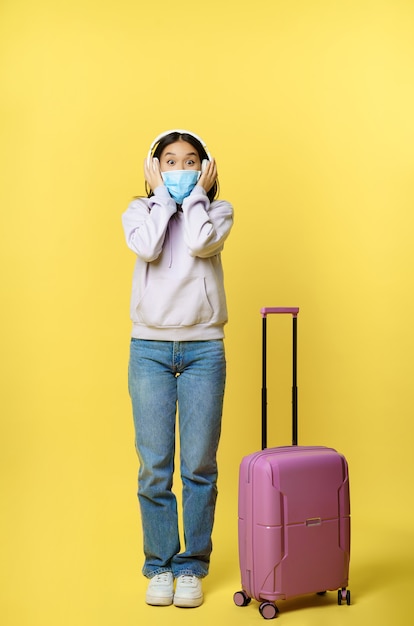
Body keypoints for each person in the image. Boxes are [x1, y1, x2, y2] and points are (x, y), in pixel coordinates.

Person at [122, 130, 233, 608]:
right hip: (148, 349)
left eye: (191, 161)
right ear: (154, 168)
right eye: (170, 161)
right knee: (154, 467)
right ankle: (160, 565)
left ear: (206, 169)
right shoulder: (138, 211)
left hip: (204, 350)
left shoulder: (217, 212)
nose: (180, 169)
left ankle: (192, 566)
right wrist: (162, 199)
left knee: (199, 467)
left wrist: (196, 199)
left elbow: (203, 243)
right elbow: (147, 249)